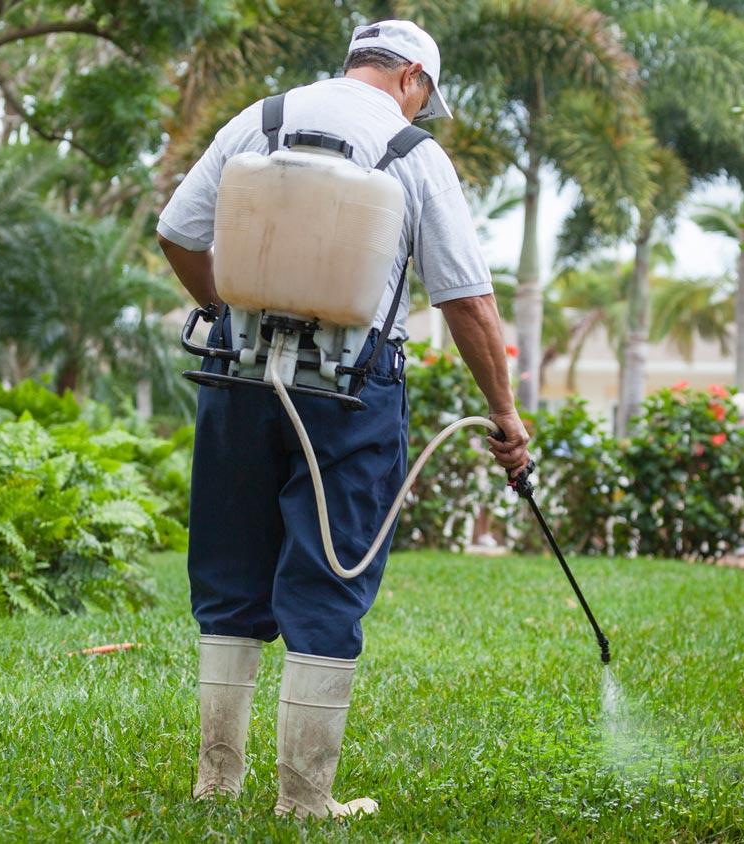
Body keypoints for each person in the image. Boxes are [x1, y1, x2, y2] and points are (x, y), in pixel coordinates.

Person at [156, 19, 531, 820]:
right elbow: (465, 297)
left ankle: (216, 782)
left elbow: (179, 232)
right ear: (413, 82)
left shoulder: (257, 121)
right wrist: (503, 413)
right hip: (351, 392)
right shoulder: (413, 152)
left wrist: (227, 312)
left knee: (229, 570)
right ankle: (304, 799)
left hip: (238, 374)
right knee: (333, 571)